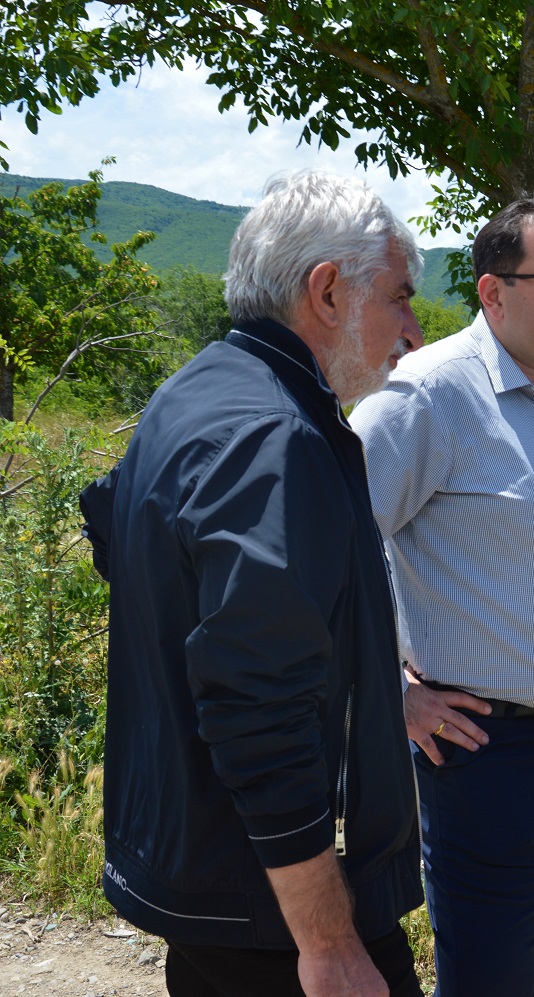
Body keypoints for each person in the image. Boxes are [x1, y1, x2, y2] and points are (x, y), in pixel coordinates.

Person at [78, 171, 427, 997]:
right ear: (328, 292)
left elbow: (126, 543)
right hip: (273, 912)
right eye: (400, 298)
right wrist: (329, 942)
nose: (413, 332)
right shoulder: (278, 436)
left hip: (204, 878)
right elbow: (257, 702)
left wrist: (371, 685)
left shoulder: (194, 390)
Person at [349, 198, 534, 997]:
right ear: (492, 292)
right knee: (490, 978)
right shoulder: (425, 394)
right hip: (489, 750)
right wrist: (391, 689)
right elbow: (332, 549)